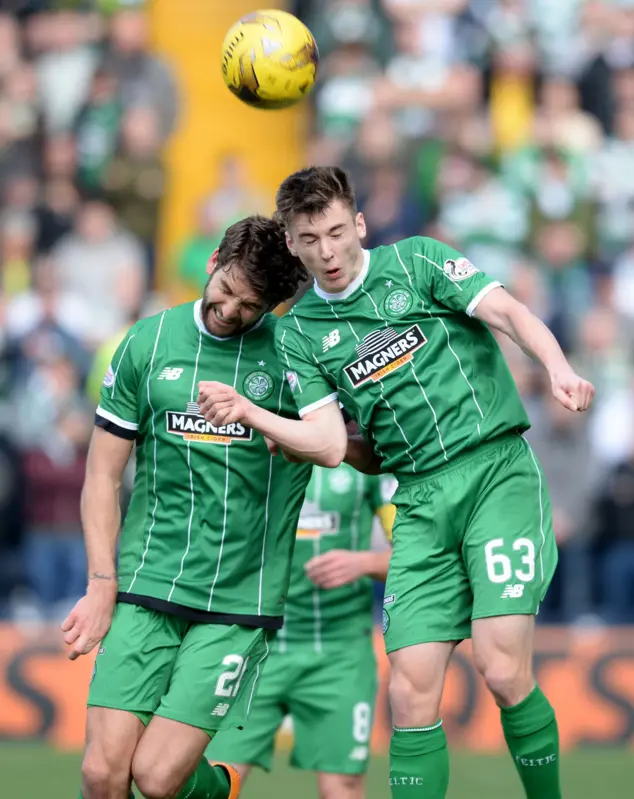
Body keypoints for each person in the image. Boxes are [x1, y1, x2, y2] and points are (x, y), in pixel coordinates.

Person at [196, 166, 595, 799]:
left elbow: (509, 311)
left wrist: (557, 367)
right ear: (293, 244)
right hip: (416, 499)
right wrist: (271, 424)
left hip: (494, 474)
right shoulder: (300, 333)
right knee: (408, 691)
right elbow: (333, 445)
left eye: (334, 231)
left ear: (358, 223)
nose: (327, 252)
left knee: (499, 667)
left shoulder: (418, 263)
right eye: (309, 239)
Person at [62, 215, 313, 799]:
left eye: (250, 306)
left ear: (274, 304)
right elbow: (101, 474)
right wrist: (102, 584)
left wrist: (292, 435)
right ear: (212, 261)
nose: (229, 311)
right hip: (148, 584)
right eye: (226, 290)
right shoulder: (145, 344)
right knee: (103, 774)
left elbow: (348, 447)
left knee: (154, 778)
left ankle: (218, 787)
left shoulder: (295, 359)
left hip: (238, 600)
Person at [206, 463, 395, 799]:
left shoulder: (366, 464)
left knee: (343, 788)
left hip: (339, 654)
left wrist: (362, 562)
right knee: (216, 781)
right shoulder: (249, 452)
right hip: (254, 650)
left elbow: (420, 552)